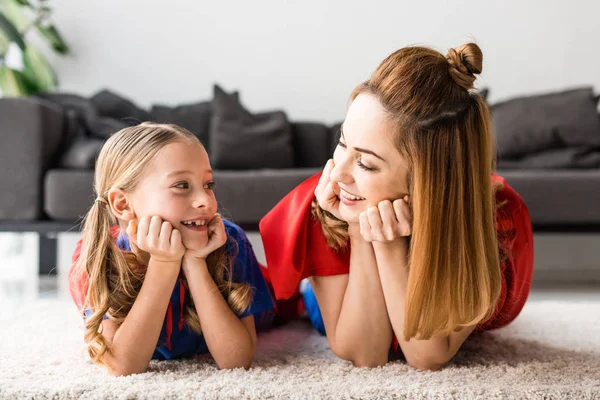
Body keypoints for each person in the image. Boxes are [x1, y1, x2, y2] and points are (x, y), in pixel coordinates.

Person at [259, 43, 534, 371]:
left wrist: (388, 245)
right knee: (314, 304)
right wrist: (361, 233)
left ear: (426, 182)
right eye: (343, 142)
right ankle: (312, 287)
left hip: (436, 258)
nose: (338, 171)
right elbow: (365, 355)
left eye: (366, 163)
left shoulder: (490, 220)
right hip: (342, 286)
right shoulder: (329, 201)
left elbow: (428, 356)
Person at [68, 123, 274, 376]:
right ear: (122, 203)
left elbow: (236, 361)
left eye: (208, 184)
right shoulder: (96, 256)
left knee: (301, 303)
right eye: (182, 186)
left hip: (276, 298)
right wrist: (164, 263)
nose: (205, 201)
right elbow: (122, 365)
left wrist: (195, 262)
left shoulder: (228, 241)